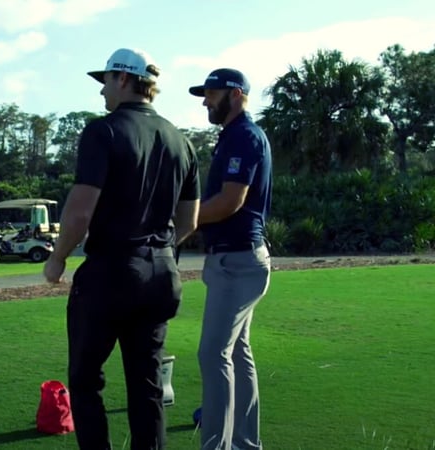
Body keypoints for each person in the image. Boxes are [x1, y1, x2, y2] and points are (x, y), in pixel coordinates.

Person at [44, 48, 200, 450]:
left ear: (125, 80)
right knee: (147, 383)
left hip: (112, 273)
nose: (102, 93)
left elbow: (79, 213)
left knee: (84, 378)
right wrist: (158, 252)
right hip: (162, 274)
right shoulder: (181, 139)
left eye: (107, 81)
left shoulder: (104, 131)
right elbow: (189, 221)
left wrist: (57, 258)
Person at [188, 68, 273, 450]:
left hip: (238, 263)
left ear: (235, 94)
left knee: (212, 353)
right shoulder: (231, 137)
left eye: (211, 93)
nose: (206, 100)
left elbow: (228, 203)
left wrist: (178, 219)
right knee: (237, 353)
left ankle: (219, 447)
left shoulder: (243, 137)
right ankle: (244, 445)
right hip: (234, 260)